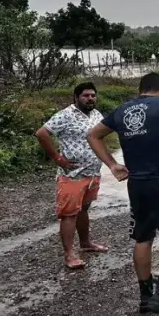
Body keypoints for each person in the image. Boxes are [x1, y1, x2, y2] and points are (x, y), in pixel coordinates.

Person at [87, 72, 159, 316]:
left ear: (140, 90)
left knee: (142, 236)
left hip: (136, 183)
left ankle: (145, 296)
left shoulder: (122, 110)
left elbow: (93, 135)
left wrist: (113, 165)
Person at [35, 82, 108, 269]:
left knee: (84, 209)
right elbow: (42, 133)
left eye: (93, 95)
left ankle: (85, 244)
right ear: (76, 97)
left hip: (92, 173)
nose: (90, 98)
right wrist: (57, 157)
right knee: (69, 214)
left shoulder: (97, 115)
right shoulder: (66, 115)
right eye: (85, 95)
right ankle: (69, 255)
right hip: (72, 175)